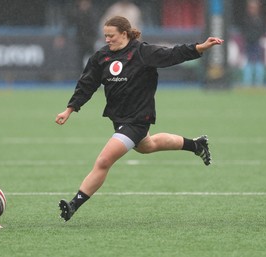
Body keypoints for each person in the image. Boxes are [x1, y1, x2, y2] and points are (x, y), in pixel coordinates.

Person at [55, 16, 223, 222]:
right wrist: (70, 109)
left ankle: (74, 205)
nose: (107, 39)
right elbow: (87, 84)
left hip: (138, 119)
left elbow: (172, 54)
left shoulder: (142, 52)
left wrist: (200, 47)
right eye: (105, 36)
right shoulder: (101, 57)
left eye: (111, 36)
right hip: (119, 118)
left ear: (124, 34)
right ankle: (196, 145)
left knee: (104, 160)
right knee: (147, 146)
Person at [241, 0, 266, 86]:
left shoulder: (260, 19)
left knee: (258, 62)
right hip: (249, 42)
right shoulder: (246, 19)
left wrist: (256, 37)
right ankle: (247, 82)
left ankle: (259, 82)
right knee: (248, 62)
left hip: (256, 42)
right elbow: (244, 31)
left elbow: (262, 30)